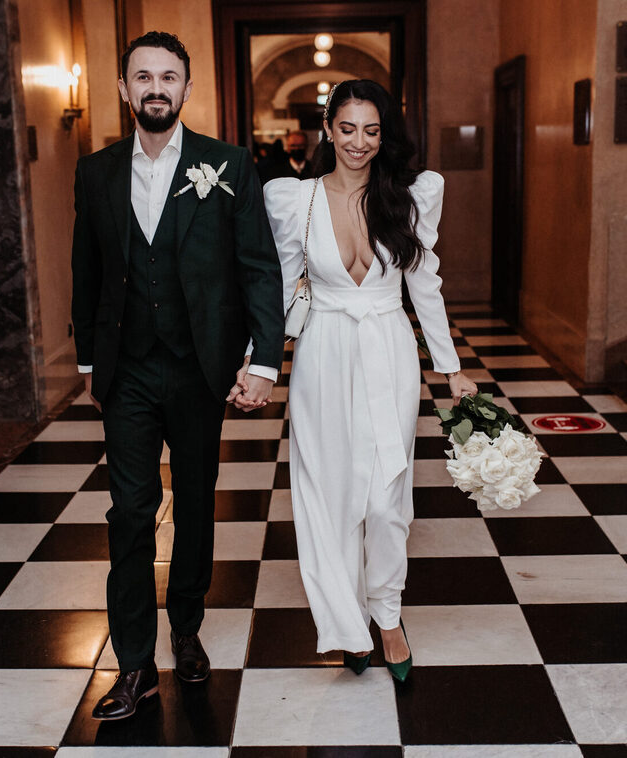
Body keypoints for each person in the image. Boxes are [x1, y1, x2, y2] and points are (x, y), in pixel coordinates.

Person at [71, 31, 284, 720]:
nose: (155, 87)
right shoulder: (96, 171)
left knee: (194, 502)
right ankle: (134, 663)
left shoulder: (227, 165)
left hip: (199, 367)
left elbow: (258, 267)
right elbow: (87, 269)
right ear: (125, 89)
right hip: (126, 370)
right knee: (129, 511)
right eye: (143, 77)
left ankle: (185, 629)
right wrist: (85, 363)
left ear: (187, 89)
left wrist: (262, 360)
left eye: (168, 76)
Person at [255, 79, 478, 682]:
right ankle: (348, 624)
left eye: (372, 130)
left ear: (386, 135)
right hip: (323, 348)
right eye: (347, 128)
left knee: (385, 498)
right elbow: (278, 287)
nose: (358, 142)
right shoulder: (293, 199)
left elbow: (424, 284)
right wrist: (258, 365)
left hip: (387, 345)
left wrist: (449, 368)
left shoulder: (410, 196)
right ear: (328, 129)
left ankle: (387, 614)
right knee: (328, 496)